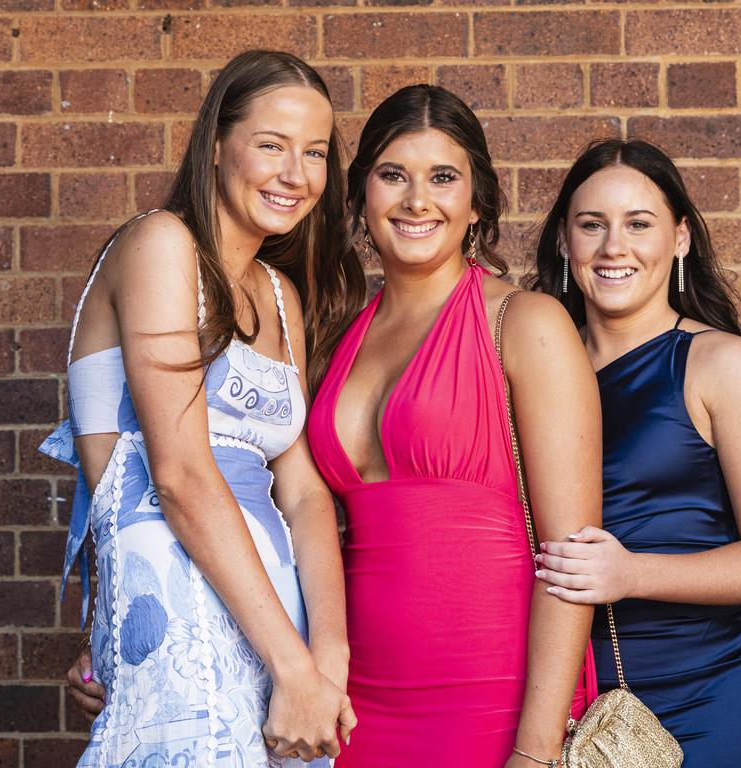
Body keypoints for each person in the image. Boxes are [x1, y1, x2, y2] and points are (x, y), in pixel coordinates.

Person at [41, 50, 363, 767]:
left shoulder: (282, 296)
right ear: (217, 144)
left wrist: (327, 654)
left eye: (314, 153)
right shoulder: (160, 243)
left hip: (275, 607)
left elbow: (305, 491)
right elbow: (180, 474)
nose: (295, 174)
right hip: (183, 580)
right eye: (271, 145)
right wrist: (293, 666)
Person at [306, 85, 602, 768]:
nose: (417, 200)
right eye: (392, 176)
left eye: (443, 177)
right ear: (359, 197)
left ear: (477, 203)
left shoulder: (525, 324)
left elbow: (571, 559)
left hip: (492, 703)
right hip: (352, 703)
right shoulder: (333, 335)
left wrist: (534, 750)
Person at [529, 138, 741, 767]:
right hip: (574, 708)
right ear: (564, 241)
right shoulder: (532, 362)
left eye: (639, 224)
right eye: (591, 225)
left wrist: (631, 574)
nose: (613, 247)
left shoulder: (721, 365)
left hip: (713, 702)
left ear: (679, 239)